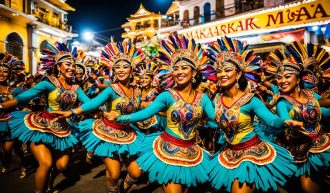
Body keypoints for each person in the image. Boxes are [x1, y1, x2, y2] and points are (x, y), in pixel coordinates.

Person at [105, 34, 217, 193]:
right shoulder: (167, 95)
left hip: (192, 151)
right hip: (168, 150)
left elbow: (215, 117)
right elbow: (145, 113)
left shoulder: (203, 98)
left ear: (194, 73)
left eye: (184, 67)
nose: (179, 72)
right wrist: (121, 117)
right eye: (176, 68)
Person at [206, 36, 302, 193]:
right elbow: (210, 117)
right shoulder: (216, 99)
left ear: (238, 74)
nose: (222, 74)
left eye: (228, 70)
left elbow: (270, 120)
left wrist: (285, 122)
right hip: (227, 152)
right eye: (219, 71)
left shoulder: (250, 99)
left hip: (251, 153)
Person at [51, 41, 146, 193]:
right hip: (107, 133)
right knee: (114, 173)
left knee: (136, 172)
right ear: (114, 70)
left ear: (132, 70)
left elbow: (138, 111)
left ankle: (123, 188)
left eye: (125, 66)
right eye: (118, 67)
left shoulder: (137, 92)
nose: (121, 70)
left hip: (128, 133)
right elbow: (93, 104)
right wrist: (73, 112)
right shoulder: (111, 89)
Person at [0, 42, 90, 193]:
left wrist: (105, 107)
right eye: (68, 64)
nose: (72, 68)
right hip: (41, 127)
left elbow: (90, 103)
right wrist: (2, 106)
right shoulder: (49, 83)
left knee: (61, 166)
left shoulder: (76, 88)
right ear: (58, 66)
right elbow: (22, 98)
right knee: (46, 163)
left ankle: (50, 181)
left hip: (64, 129)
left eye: (74, 65)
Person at [265, 41, 330, 193]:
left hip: (322, 141)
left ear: (298, 78)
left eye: (287, 76)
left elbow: (320, 109)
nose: (282, 81)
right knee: (308, 189)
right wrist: (289, 123)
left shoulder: (309, 94)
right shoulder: (283, 101)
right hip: (300, 151)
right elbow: (283, 118)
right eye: (279, 78)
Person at [0, 53, 28, 178]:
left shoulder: (15, 90)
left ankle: (23, 165)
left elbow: (23, 104)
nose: (1, 74)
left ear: (10, 73)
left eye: (5, 71)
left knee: (9, 149)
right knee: (8, 150)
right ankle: (6, 163)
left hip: (11, 122)